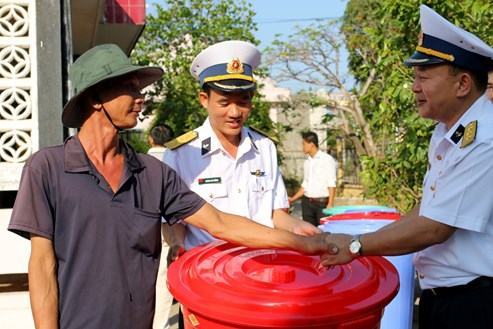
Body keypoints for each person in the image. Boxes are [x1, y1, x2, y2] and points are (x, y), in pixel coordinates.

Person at [7, 44, 334, 329]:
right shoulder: (47, 168)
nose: (141, 98)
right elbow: (41, 265)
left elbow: (220, 223)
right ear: (95, 98)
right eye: (130, 88)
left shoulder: (151, 173)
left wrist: (298, 243)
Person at [322, 5, 493, 329]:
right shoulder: (448, 133)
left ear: (462, 84)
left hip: (475, 303)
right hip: (443, 298)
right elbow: (427, 209)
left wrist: (356, 247)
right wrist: (362, 240)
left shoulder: (484, 140)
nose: (414, 87)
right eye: (415, 77)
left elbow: (435, 227)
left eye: (424, 76)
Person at [163, 40, 320, 257]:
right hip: (205, 273)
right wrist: (176, 245)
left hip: (260, 269)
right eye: (225, 103)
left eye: (243, 102)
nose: (235, 112)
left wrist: (296, 228)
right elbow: (173, 219)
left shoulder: (264, 148)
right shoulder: (181, 153)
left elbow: (277, 213)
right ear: (204, 100)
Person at [147, 124, 175, 329]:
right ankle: (162, 324)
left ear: (150, 139)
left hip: (144, 223)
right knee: (165, 271)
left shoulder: (138, 161)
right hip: (170, 222)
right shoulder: (175, 160)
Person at [288, 131, 337, 226]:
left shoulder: (327, 159)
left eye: (304, 144)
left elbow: (331, 183)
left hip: (322, 204)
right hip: (307, 203)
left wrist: (330, 204)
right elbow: (305, 185)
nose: (302, 147)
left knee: (324, 232)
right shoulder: (307, 162)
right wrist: (292, 199)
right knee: (309, 233)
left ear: (311, 144)